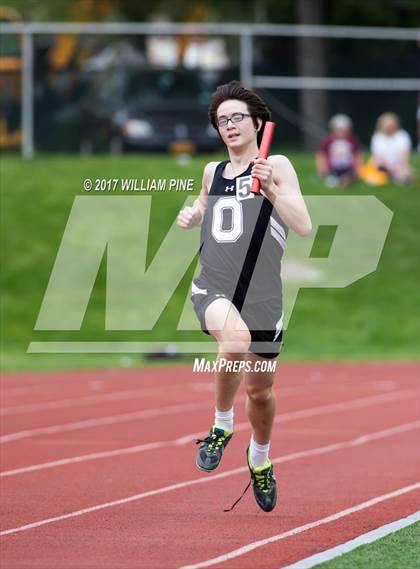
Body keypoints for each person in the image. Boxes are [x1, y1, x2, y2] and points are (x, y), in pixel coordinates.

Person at [177, 81, 312, 512]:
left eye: (237, 117)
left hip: (263, 295)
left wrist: (270, 187)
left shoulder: (278, 165)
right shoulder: (212, 172)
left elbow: (304, 225)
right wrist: (193, 212)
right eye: (222, 121)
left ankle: (259, 459)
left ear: (257, 123)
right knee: (232, 342)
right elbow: (202, 205)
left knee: (260, 392)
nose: (229, 126)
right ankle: (220, 426)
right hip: (214, 285)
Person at [316, 114, 362, 187]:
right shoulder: (328, 140)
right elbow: (321, 155)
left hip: (348, 167)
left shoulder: (353, 140)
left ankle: (345, 180)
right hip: (332, 168)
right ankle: (337, 180)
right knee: (331, 178)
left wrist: (358, 167)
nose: (342, 132)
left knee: (350, 176)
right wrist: (322, 168)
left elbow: (357, 155)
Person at [370, 112, 413, 184]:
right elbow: (378, 156)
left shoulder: (402, 135)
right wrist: (388, 167)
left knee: (405, 172)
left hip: (399, 165)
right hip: (382, 165)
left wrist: (401, 166)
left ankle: (400, 177)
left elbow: (404, 154)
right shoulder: (377, 137)